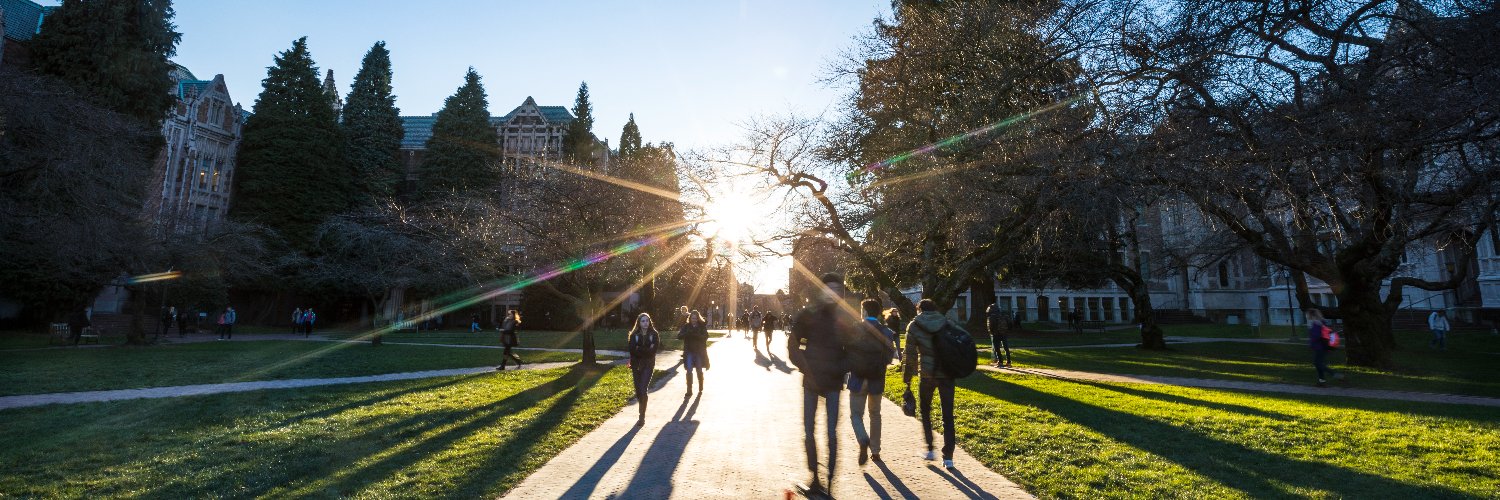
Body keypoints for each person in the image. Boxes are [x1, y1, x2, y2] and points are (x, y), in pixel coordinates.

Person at [788, 273, 853, 495]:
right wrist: (805, 367)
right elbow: (793, 344)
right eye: (829, 288)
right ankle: (815, 478)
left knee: (832, 434)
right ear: (822, 289)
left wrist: (839, 367)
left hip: (833, 382)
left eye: (837, 289)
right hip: (811, 380)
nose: (833, 292)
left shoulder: (845, 317)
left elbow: (852, 351)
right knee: (809, 431)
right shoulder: (809, 314)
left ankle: (831, 482)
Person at [904, 298, 963, 470]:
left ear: (919, 309)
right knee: (948, 415)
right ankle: (949, 456)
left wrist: (907, 378)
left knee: (925, 411)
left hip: (927, 375)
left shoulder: (914, 326)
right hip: (947, 373)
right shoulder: (947, 323)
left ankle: (930, 448)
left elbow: (910, 356)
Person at [849, 299, 900, 465]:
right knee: (875, 414)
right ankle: (876, 451)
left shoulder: (855, 328)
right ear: (878, 313)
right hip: (876, 379)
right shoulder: (886, 331)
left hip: (858, 378)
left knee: (856, 414)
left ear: (863, 311)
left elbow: (847, 351)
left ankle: (863, 439)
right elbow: (890, 355)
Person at [627, 313, 662, 426]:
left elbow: (653, 351)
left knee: (643, 389)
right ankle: (641, 408)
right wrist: (646, 349)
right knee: (638, 391)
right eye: (643, 321)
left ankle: (641, 416)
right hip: (636, 365)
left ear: (649, 322)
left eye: (647, 320)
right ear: (639, 322)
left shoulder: (654, 334)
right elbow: (632, 350)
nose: (645, 323)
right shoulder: (634, 335)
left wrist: (640, 349)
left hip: (648, 365)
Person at [1307, 308, 1344, 387]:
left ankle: (1334, 374)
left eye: (1308, 315)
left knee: (1318, 363)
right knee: (1318, 364)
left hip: (1319, 346)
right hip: (1324, 346)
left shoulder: (1315, 324)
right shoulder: (1322, 323)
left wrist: (1311, 343)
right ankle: (1322, 381)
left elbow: (1316, 336)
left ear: (1311, 315)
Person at [679, 310, 710, 394]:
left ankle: (701, 385)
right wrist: (687, 333)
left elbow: (706, 336)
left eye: (696, 318)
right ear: (690, 318)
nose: (694, 320)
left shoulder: (701, 326)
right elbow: (679, 336)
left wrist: (697, 335)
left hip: (699, 352)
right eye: (692, 318)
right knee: (689, 370)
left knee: (699, 370)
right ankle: (689, 389)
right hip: (689, 351)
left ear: (698, 318)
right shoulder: (686, 326)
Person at [986, 303, 1012, 367]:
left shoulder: (991, 316)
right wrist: (1006, 330)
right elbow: (1010, 324)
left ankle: (1000, 362)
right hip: (1004, 333)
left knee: (997, 348)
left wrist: (992, 332)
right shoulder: (1003, 315)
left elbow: (990, 326)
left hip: (996, 334)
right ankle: (1008, 362)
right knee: (1006, 348)